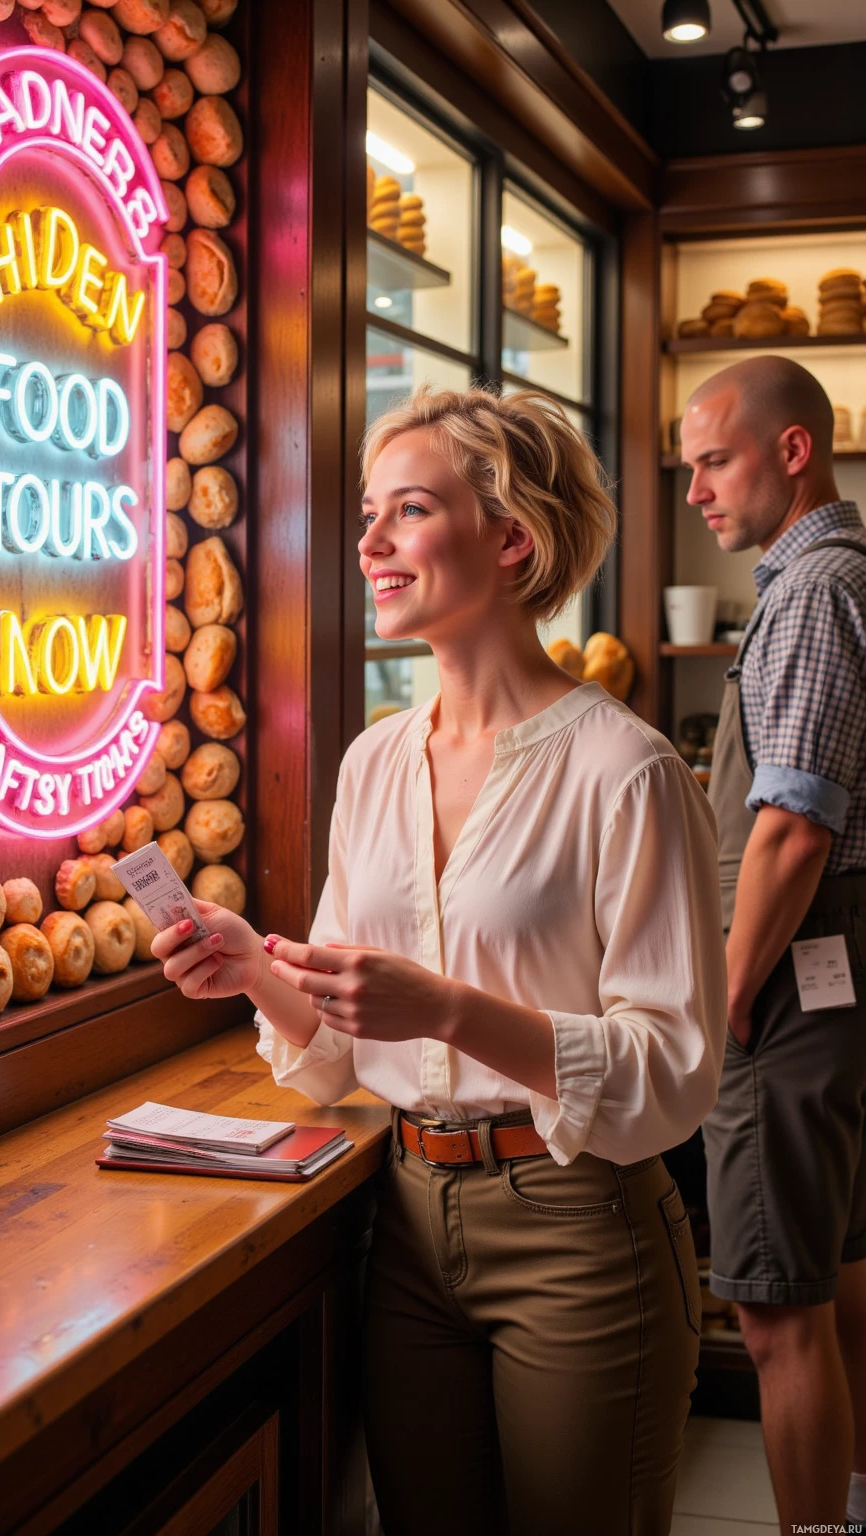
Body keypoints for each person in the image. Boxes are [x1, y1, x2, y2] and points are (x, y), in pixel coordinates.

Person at [153, 386, 727, 1535]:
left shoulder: (629, 770)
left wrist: (452, 1010)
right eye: (368, 512)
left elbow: (674, 1073)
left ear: (511, 539)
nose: (366, 542)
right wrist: (259, 973)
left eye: (406, 511)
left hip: (581, 1231)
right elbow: (345, 1048)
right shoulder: (371, 763)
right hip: (407, 1226)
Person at [682, 355, 866, 1536]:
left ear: (791, 450)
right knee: (840, 1283)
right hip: (836, 981)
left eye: (713, 459)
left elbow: (793, 829)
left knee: (773, 1312)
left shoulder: (808, 590)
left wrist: (727, 999)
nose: (696, 486)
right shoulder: (846, 574)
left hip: (786, 991)